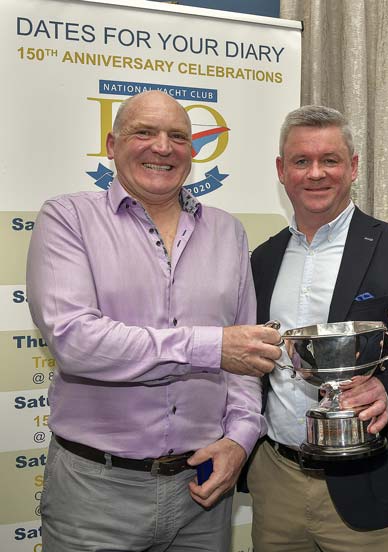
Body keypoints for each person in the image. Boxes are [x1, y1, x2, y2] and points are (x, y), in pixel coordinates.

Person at [26, 90, 282, 551]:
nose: (162, 147)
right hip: (95, 494)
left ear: (192, 151)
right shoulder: (68, 218)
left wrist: (240, 440)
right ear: (112, 144)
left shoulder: (228, 231)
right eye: (144, 132)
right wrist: (211, 347)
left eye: (178, 137)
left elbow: (246, 355)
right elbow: (75, 342)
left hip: (202, 489)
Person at [245, 105, 388, 551]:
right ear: (281, 170)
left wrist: (387, 392)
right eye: (301, 161)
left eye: (330, 160)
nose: (316, 173)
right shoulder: (263, 259)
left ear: (353, 167)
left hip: (367, 483)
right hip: (276, 480)